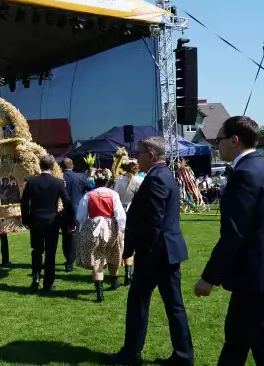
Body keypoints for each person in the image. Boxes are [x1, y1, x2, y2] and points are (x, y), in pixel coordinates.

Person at [194, 116, 264, 366]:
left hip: (256, 276)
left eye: (219, 139)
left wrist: (209, 277)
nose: (217, 145)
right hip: (260, 273)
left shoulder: (244, 174)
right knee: (237, 341)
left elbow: (234, 234)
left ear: (234, 140)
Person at [109, 136, 194, 366]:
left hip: (155, 253)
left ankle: (131, 353)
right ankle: (183, 356)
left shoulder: (156, 179)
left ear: (151, 155)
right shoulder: (164, 176)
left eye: (139, 152)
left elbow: (153, 221)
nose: (136, 157)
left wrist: (140, 249)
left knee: (138, 302)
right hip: (167, 250)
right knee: (174, 306)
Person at [20, 155, 74, 292]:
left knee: (36, 250)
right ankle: (48, 282)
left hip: (36, 220)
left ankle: (36, 277)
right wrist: (69, 219)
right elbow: (67, 202)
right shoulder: (58, 182)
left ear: (40, 165)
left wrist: (26, 219)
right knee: (50, 252)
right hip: (52, 221)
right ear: (52, 166)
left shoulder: (32, 182)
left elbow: (24, 202)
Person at [75, 168, 126, 302]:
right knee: (113, 252)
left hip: (94, 226)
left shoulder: (88, 195)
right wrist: (121, 229)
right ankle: (114, 281)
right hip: (111, 226)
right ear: (107, 180)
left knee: (97, 256)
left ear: (95, 180)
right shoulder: (113, 194)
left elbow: (81, 215)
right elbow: (120, 214)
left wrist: (84, 225)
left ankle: (100, 293)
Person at [113, 160, 145, 286]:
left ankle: (127, 273)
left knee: (127, 242)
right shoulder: (141, 180)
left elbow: (116, 197)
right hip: (137, 212)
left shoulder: (120, 181)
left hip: (123, 211)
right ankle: (130, 273)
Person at [60, 157, 88, 272]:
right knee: (72, 236)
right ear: (72, 165)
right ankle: (70, 262)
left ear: (61, 166)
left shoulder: (59, 177)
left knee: (65, 236)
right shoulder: (80, 177)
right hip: (76, 210)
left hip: (61, 211)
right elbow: (90, 188)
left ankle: (68, 258)